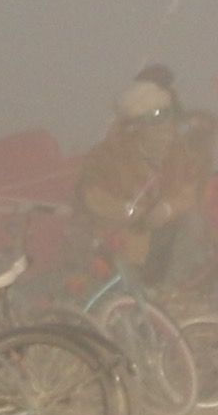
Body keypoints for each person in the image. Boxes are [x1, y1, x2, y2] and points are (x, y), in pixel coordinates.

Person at [76, 72, 210, 291]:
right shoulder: (108, 156)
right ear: (136, 127)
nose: (165, 130)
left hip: (164, 242)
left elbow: (193, 188)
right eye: (156, 121)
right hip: (124, 245)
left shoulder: (180, 152)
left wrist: (167, 209)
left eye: (168, 118)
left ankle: (170, 294)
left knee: (192, 222)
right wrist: (131, 212)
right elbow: (91, 196)